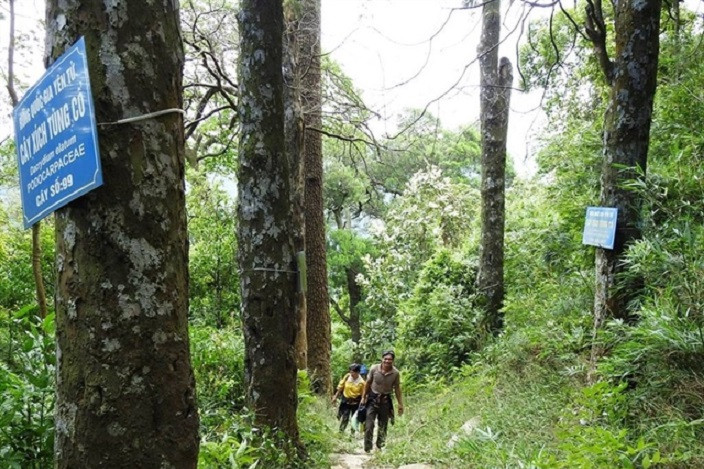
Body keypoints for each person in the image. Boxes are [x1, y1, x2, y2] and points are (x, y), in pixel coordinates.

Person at [360, 350, 404, 453]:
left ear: (393, 361)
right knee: (369, 425)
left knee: (383, 425)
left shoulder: (395, 373)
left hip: (385, 402)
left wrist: (400, 404)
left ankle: (379, 446)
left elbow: (397, 388)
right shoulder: (374, 368)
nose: (387, 361)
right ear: (382, 359)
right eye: (386, 359)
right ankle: (367, 448)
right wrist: (363, 397)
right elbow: (368, 383)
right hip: (372, 400)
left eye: (390, 359)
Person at [331, 363, 365, 434]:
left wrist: (362, 404)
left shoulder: (362, 383)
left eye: (353, 372)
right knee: (345, 417)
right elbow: (341, 387)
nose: (351, 373)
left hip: (356, 403)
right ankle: (341, 432)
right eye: (350, 371)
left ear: (358, 372)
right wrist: (335, 396)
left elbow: (363, 394)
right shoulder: (347, 377)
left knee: (354, 418)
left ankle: (352, 433)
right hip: (346, 401)